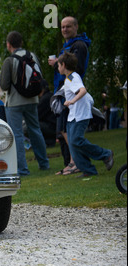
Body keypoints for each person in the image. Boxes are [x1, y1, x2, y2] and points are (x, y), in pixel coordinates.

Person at [0, 31, 49, 176]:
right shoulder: (32, 56)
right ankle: (44, 163)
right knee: (35, 130)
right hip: (32, 100)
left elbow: (4, 84)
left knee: (17, 135)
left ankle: (22, 169)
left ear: (9, 45)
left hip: (14, 102)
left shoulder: (9, 60)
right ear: (21, 42)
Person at [58, 52, 114, 177]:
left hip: (80, 115)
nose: (57, 68)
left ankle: (106, 154)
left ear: (63, 65)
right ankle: (88, 170)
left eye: (58, 65)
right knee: (72, 143)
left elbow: (83, 90)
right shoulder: (68, 79)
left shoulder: (73, 77)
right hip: (73, 115)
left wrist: (72, 101)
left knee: (77, 140)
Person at [48, 16, 91, 175]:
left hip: (69, 92)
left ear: (76, 27)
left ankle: (77, 161)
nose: (65, 29)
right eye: (62, 27)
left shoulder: (79, 45)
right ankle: (73, 162)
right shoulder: (69, 45)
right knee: (63, 129)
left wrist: (58, 64)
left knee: (67, 129)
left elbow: (76, 69)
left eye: (68, 26)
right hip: (63, 90)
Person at [37, 80, 56, 147]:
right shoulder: (51, 95)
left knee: (30, 126)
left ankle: (45, 142)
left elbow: (37, 115)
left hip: (51, 126)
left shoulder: (45, 99)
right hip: (55, 125)